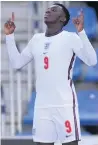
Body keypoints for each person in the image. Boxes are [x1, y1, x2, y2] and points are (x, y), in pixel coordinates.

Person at [4, 3, 97, 145]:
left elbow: (92, 61)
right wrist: (9, 37)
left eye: (53, 10)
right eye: (48, 9)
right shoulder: (36, 39)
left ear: (62, 18)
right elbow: (17, 63)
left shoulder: (70, 38)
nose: (48, 10)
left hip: (64, 104)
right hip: (42, 106)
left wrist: (82, 33)